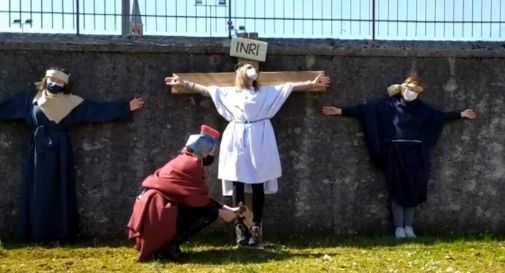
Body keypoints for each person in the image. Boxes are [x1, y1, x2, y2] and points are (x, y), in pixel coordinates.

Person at [165, 62, 331, 247]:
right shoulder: (231, 93)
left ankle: (256, 226)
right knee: (238, 180)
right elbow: (207, 90)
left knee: (258, 181)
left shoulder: (265, 93)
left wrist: (311, 82)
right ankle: (240, 225)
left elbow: (289, 86)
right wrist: (184, 83)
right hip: (237, 137)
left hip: (260, 139)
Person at [0, 67, 144, 242]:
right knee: (37, 188)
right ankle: (36, 231)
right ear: (46, 80)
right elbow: (6, 109)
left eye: (60, 81)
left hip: (61, 149)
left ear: (66, 85)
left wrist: (125, 108)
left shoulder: (72, 102)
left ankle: (60, 233)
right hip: (39, 150)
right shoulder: (30, 99)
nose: (55, 83)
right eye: (52, 80)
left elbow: (96, 110)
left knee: (61, 187)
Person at [322, 75, 476, 239]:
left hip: (416, 154)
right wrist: (341, 111)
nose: (411, 92)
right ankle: (399, 228)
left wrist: (461, 114)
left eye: (415, 90)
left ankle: (409, 227)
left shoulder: (423, 110)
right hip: (396, 154)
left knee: (413, 188)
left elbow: (440, 116)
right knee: (397, 189)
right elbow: (366, 110)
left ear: (420, 92)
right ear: (402, 89)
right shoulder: (388, 106)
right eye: (409, 89)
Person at [127, 125, 241, 262]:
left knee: (206, 209)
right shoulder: (192, 164)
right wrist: (219, 213)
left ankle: (167, 246)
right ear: (205, 150)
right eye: (211, 151)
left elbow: (195, 195)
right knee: (208, 213)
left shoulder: (183, 159)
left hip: (155, 211)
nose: (212, 155)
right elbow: (199, 202)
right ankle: (168, 246)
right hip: (158, 213)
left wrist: (224, 208)